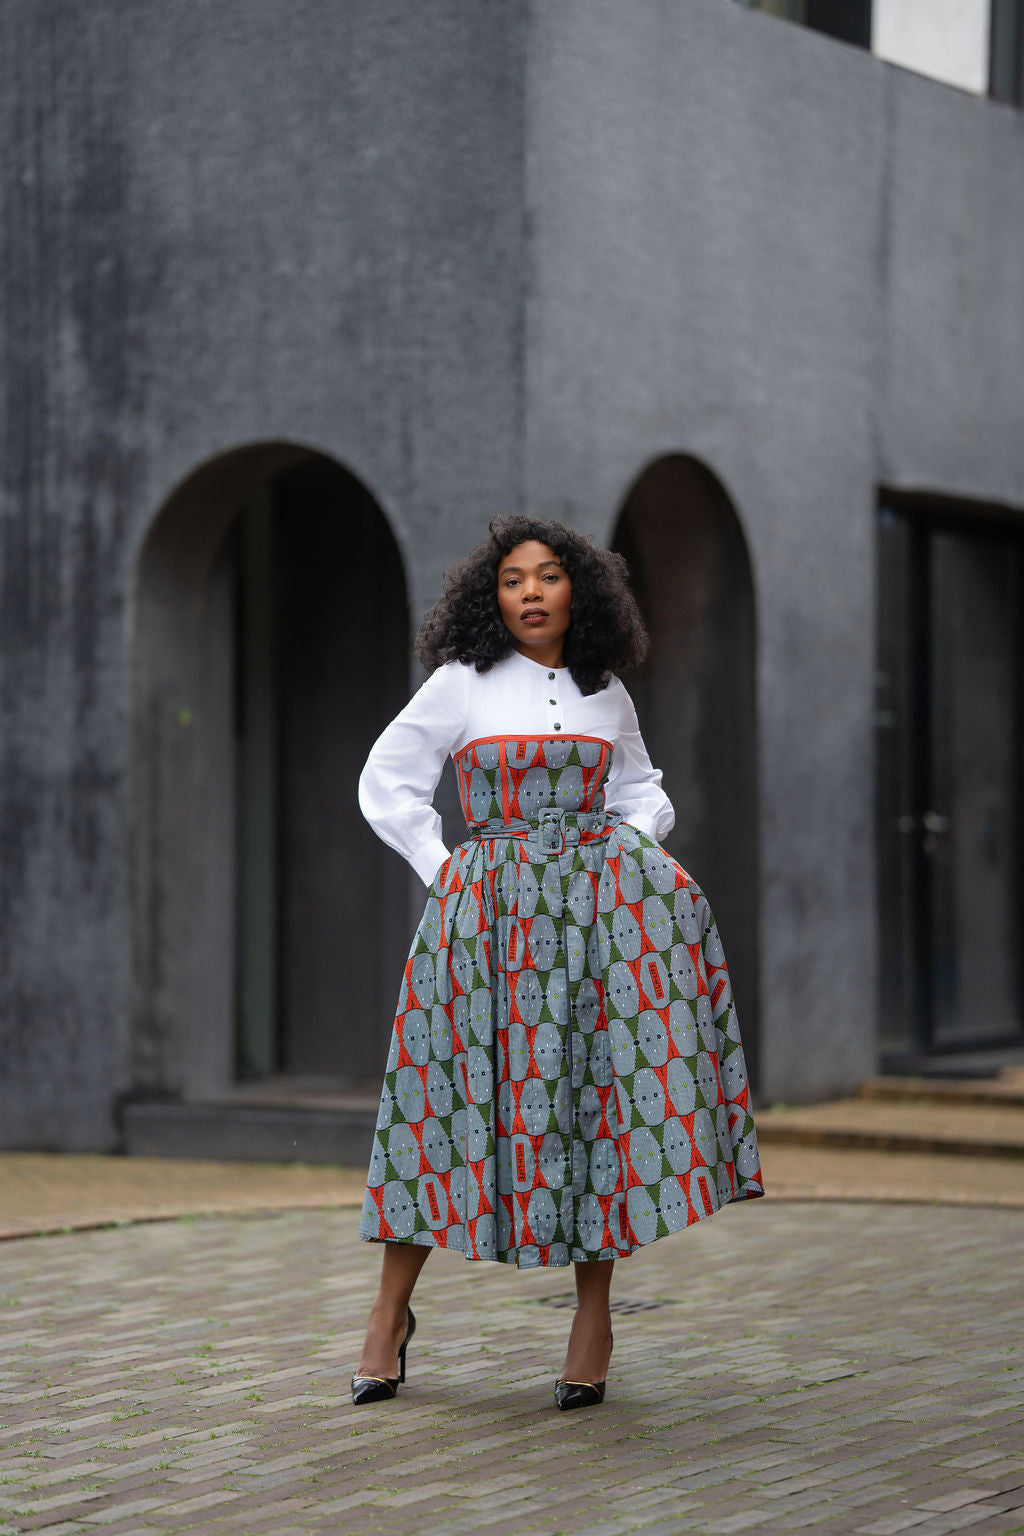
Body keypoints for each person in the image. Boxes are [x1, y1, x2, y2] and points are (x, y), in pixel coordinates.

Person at [351, 516, 763, 1410]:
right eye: (511, 579)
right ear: (489, 597)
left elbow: (640, 788)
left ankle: (593, 1319)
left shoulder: (605, 691)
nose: (531, 592)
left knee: (590, 1101)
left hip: (592, 924)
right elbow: (387, 781)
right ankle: (388, 1316)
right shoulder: (461, 685)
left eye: (547, 576)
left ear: (580, 589)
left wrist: (632, 847)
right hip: (484, 921)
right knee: (438, 1101)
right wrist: (445, 865)